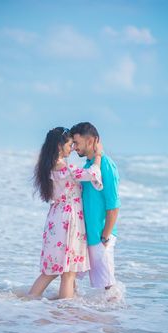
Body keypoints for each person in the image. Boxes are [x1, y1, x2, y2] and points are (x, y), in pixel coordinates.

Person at [28, 127, 103, 299]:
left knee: (51, 270)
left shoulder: (47, 167)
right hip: (69, 220)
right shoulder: (66, 168)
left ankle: (28, 301)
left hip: (56, 217)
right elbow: (93, 174)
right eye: (70, 144)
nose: (72, 148)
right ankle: (65, 315)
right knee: (68, 273)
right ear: (59, 146)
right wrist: (98, 156)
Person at [70, 122, 121, 291]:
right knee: (71, 277)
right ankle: (69, 313)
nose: (74, 147)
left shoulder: (106, 165)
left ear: (91, 141)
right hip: (88, 235)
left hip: (101, 236)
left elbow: (113, 206)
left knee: (108, 288)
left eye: (76, 143)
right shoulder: (89, 166)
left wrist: (105, 237)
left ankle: (115, 317)